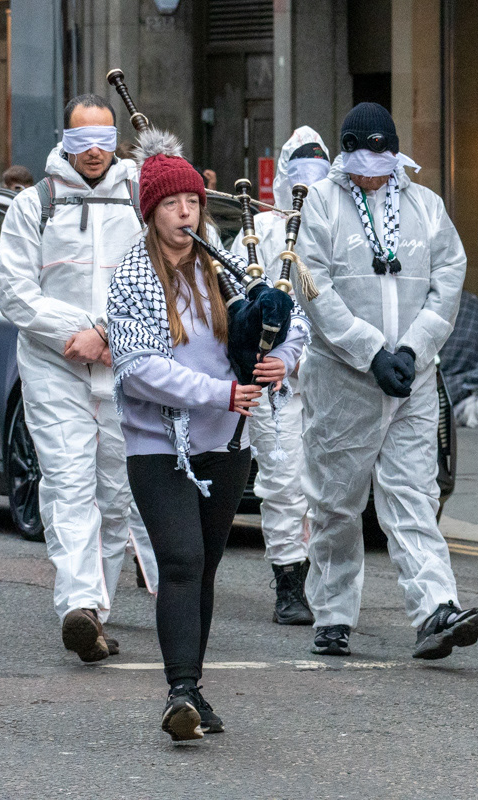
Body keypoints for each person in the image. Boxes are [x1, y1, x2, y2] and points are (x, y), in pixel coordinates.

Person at [108, 129, 307, 741]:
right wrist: (218, 391)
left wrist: (281, 360)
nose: (185, 213)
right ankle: (179, 689)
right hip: (157, 444)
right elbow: (138, 368)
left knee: (205, 566)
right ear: (151, 212)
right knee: (181, 559)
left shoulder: (223, 268)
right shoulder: (132, 275)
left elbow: (289, 319)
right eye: (171, 203)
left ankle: (192, 689)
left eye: (192, 201)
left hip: (226, 442)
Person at [295, 102, 478, 661]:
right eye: (362, 161)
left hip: (411, 378)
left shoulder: (426, 205)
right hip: (343, 380)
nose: (372, 173)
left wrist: (413, 348)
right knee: (336, 502)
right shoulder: (320, 205)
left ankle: (436, 610)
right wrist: (370, 351)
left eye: (382, 162)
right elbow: (313, 287)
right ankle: (332, 614)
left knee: (413, 495)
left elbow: (449, 276)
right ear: (345, 153)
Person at [0, 93, 158, 664]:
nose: (93, 152)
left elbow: (162, 277)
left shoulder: (140, 199)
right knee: (68, 485)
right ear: (64, 141)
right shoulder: (33, 205)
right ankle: (79, 604)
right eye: (81, 140)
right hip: (54, 367)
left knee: (116, 495)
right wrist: (82, 331)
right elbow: (16, 294)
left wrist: (110, 333)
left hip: (124, 365)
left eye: (104, 140)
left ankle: (97, 614)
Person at [229, 126, 330, 626]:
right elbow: (236, 299)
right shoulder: (262, 234)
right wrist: (260, 349)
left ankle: (326, 582)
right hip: (277, 387)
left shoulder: (339, 231)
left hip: (331, 381)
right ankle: (289, 582)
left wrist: (305, 359)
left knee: (326, 489)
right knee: (284, 482)